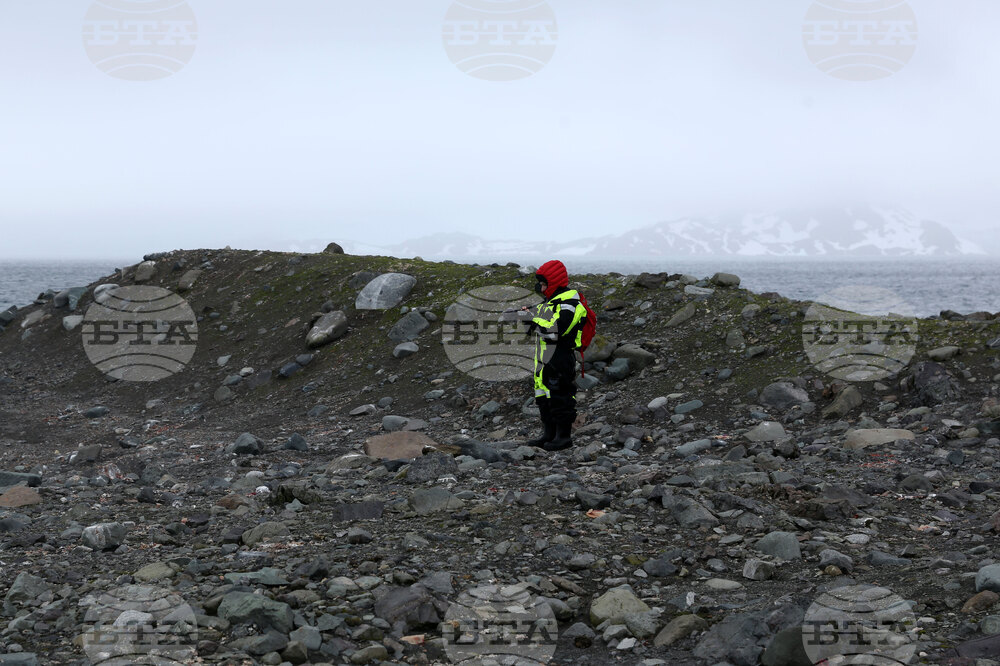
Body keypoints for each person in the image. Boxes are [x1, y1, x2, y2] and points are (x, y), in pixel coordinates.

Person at [523, 260, 588, 451]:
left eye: (544, 284)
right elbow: (533, 329)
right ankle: (549, 433)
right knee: (543, 394)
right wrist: (527, 317)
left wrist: (532, 319)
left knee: (560, 393)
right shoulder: (550, 304)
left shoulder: (569, 304)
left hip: (560, 356)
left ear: (554, 283)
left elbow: (555, 332)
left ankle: (563, 436)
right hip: (544, 357)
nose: (542, 289)